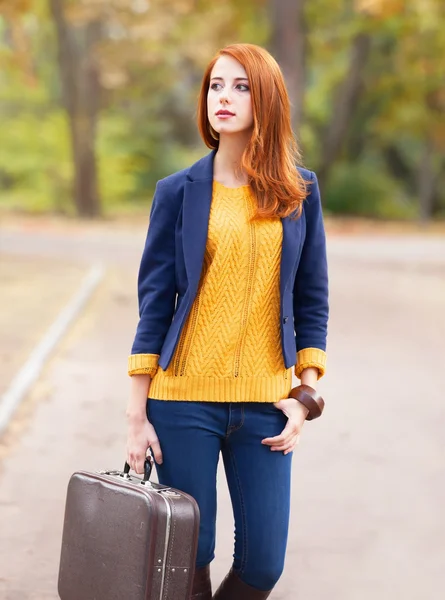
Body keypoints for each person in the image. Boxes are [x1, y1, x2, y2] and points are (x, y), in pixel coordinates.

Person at [125, 43, 329, 600]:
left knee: (263, 563)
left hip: (267, 406)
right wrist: (137, 413)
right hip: (183, 401)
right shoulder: (178, 192)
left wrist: (305, 397)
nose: (224, 97)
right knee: (190, 555)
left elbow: (312, 298)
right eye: (216, 85)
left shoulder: (298, 192)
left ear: (266, 99)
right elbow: (154, 302)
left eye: (240, 86)